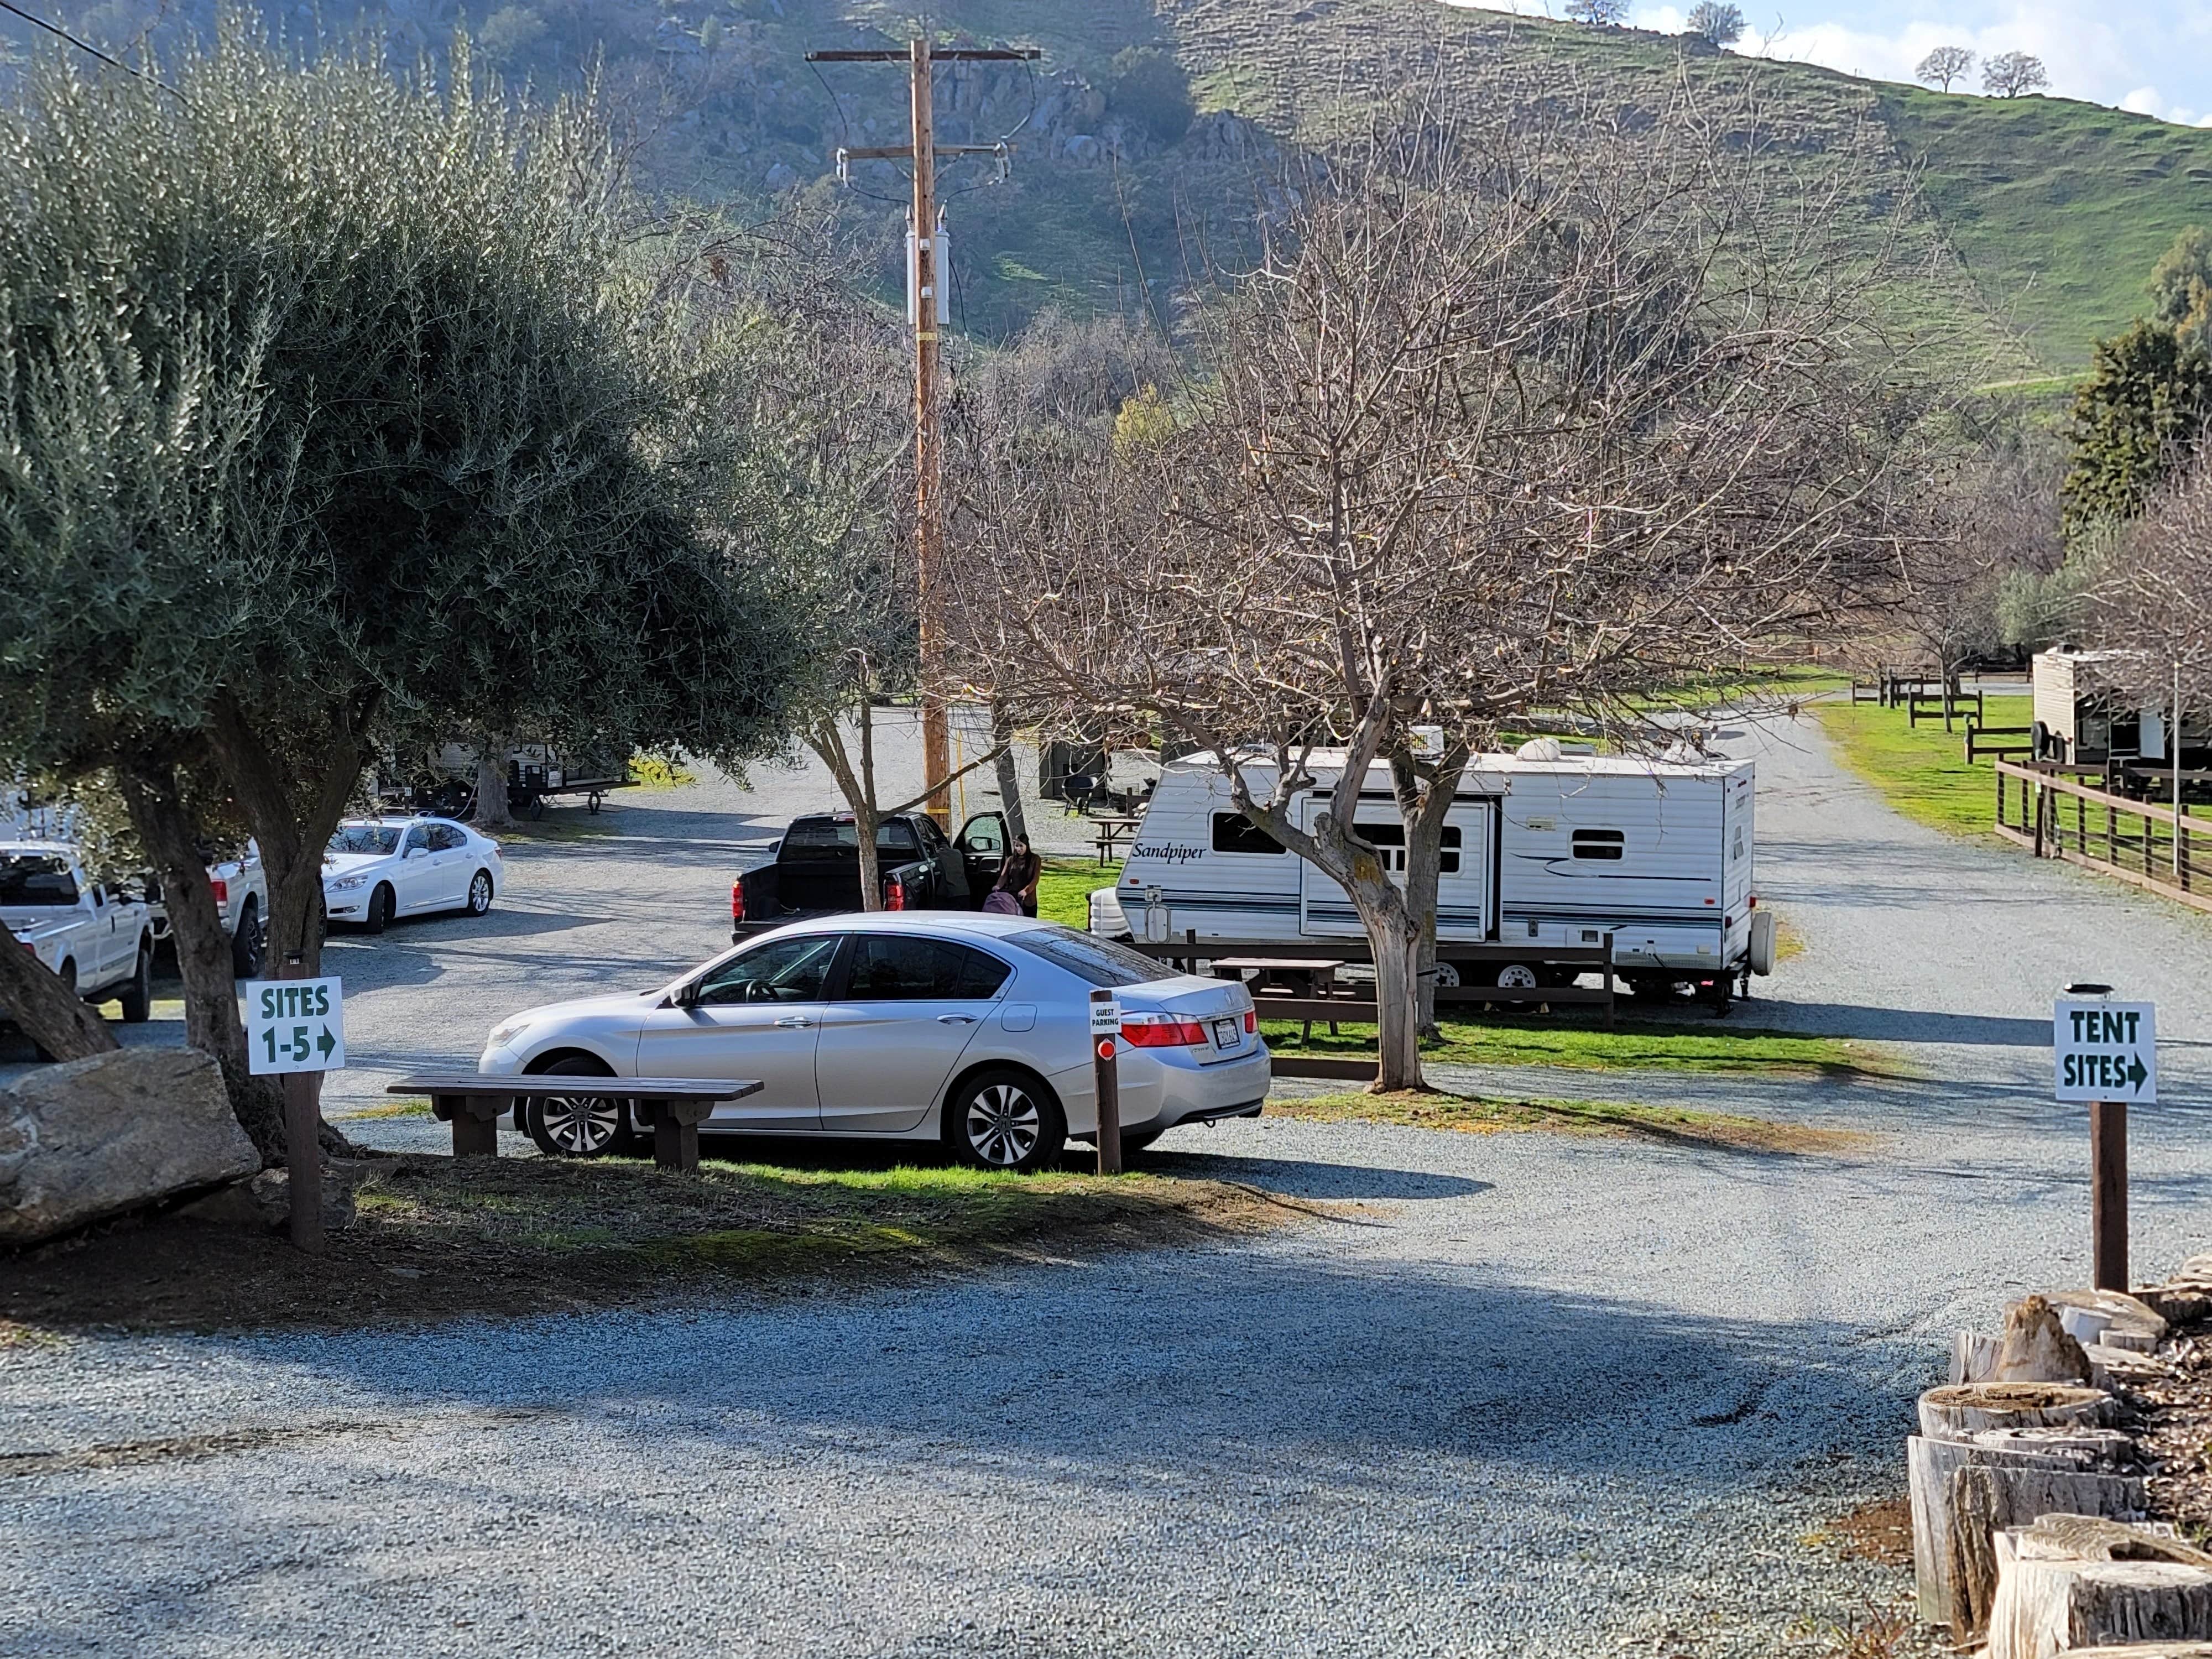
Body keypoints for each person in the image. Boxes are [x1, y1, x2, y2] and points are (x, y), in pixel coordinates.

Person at [993, 833, 1042, 917]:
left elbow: (1035, 879)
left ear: (1026, 845)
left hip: (1028, 899)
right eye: (1017, 846)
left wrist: (1026, 891)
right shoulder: (1011, 860)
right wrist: (998, 886)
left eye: (1021, 846)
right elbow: (1004, 876)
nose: (1019, 849)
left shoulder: (1035, 859)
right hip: (1013, 898)